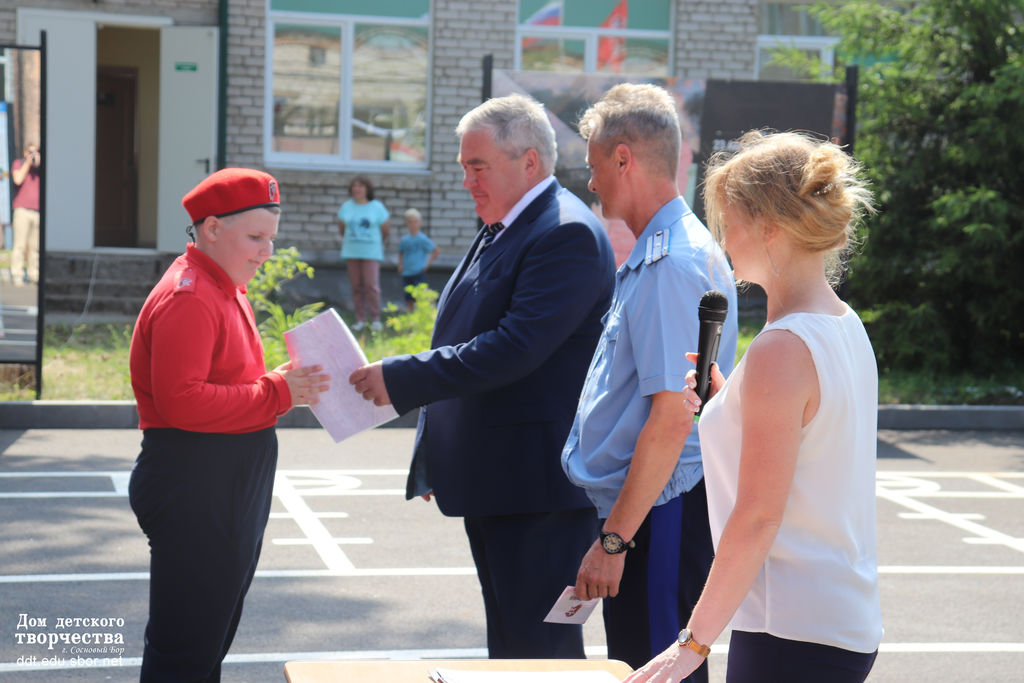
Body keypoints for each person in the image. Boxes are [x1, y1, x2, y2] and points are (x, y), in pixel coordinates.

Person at [349, 94, 616, 658]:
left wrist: (399, 377)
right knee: (513, 650)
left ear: (529, 162)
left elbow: (514, 348)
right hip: (503, 484)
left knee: (540, 655)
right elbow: (459, 334)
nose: (467, 182)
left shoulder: (563, 231)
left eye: (478, 167)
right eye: (463, 167)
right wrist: (433, 450)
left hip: (539, 494)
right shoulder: (507, 224)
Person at [624, 131, 882, 682]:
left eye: (729, 222)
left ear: (769, 228)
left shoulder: (781, 348)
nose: (722, 241)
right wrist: (727, 404)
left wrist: (692, 642)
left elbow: (759, 516)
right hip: (833, 619)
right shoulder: (844, 324)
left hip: (789, 627)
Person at [560, 83, 738, 679]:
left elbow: (671, 416)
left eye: (594, 166)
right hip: (650, 512)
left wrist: (614, 541)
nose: (591, 183)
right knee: (649, 665)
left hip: (659, 516)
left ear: (623, 159)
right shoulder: (658, 254)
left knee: (659, 670)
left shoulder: (670, 264)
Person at [128, 168, 330, 682]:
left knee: (204, 643)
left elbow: (224, 380)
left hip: (221, 480)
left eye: (271, 239)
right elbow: (182, 401)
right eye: (256, 237)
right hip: (197, 482)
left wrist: (277, 383)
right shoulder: (191, 295)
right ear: (213, 228)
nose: (267, 252)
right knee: (186, 652)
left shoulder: (222, 284)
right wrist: (278, 391)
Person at [337, 176, 390, 331]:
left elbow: (385, 229)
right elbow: (342, 228)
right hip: (352, 251)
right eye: (354, 186)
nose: (357, 189)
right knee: (356, 286)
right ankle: (360, 319)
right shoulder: (346, 207)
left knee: (371, 286)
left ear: (367, 189)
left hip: (371, 252)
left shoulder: (377, 207)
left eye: (361, 186)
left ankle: (375, 319)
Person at [10, 143, 41, 286]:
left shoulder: (39, 168)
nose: (33, 155)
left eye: (35, 152)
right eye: (30, 152)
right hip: (22, 210)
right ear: (25, 153)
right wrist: (28, 164)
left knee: (35, 247)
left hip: (37, 211)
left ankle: (34, 274)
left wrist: (38, 164)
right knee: (20, 245)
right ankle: (17, 274)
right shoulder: (18, 164)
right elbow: (17, 179)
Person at [397, 207, 440, 311]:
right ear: (406, 223)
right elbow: (400, 252)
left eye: (415, 221)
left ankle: (422, 314)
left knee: (421, 297)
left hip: (418, 272)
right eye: (410, 222)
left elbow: (436, 251)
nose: (413, 224)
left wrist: (427, 264)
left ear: (420, 222)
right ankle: (410, 316)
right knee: (409, 298)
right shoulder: (404, 239)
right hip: (407, 272)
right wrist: (400, 265)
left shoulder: (422, 238)